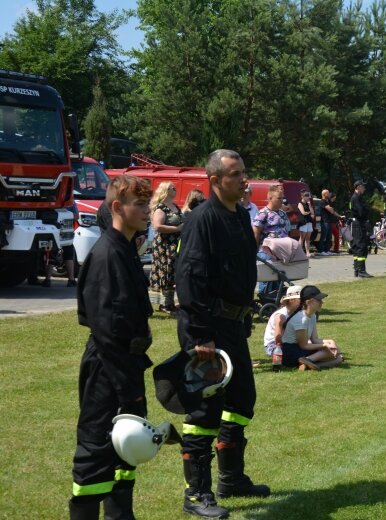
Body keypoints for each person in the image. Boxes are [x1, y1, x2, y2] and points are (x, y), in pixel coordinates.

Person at [176, 149, 270, 519]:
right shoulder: (203, 219)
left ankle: (232, 478)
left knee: (242, 401)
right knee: (204, 410)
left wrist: (243, 317)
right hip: (208, 330)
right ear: (214, 180)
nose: (244, 180)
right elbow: (190, 278)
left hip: (233, 326)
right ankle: (196, 495)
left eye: (244, 172)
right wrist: (201, 335)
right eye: (235, 174)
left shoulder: (240, 214)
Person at [69, 174, 154, 520]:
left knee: (126, 450)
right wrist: (127, 391)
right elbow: (107, 332)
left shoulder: (126, 248)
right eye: (140, 204)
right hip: (108, 371)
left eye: (148, 203)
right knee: (96, 452)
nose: (148, 210)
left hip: (125, 368)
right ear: (118, 207)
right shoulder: (107, 254)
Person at [280, 285, 344, 370]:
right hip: (291, 352)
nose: (321, 303)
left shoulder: (312, 315)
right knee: (331, 353)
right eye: (318, 300)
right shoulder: (302, 319)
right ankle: (307, 360)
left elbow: (315, 339)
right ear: (308, 302)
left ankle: (306, 364)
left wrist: (330, 342)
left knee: (339, 358)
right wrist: (324, 346)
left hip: (299, 349)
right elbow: (304, 346)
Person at [149, 181, 183, 314]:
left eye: (175, 187)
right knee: (166, 271)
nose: (175, 189)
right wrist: (177, 228)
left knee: (173, 272)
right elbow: (157, 226)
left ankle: (170, 304)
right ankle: (164, 304)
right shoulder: (161, 207)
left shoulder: (174, 206)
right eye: (171, 188)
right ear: (165, 190)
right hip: (164, 246)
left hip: (175, 245)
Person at [253, 184, 290, 294]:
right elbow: (256, 234)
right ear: (270, 198)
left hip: (281, 253)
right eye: (279, 198)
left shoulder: (283, 213)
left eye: (282, 198)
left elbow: (287, 232)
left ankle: (276, 303)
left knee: (279, 280)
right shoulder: (262, 213)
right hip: (266, 253)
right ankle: (265, 302)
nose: (281, 201)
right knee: (267, 280)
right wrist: (253, 252)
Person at [262, 285, 301, 360]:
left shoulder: (295, 313)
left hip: (288, 342)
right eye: (300, 299)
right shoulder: (281, 315)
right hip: (274, 346)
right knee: (297, 353)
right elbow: (278, 338)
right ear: (292, 300)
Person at [349, 181, 372, 278]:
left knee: (357, 246)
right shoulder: (356, 198)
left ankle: (357, 270)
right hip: (359, 224)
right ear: (358, 187)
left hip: (357, 223)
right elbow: (361, 212)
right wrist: (367, 209)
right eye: (363, 187)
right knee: (361, 246)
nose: (364, 189)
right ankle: (361, 270)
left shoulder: (357, 197)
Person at [297, 189, 315, 257]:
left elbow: (313, 213)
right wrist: (310, 213)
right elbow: (303, 212)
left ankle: (307, 252)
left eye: (308, 195)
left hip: (309, 222)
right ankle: (299, 253)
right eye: (306, 195)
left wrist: (310, 206)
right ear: (302, 196)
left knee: (308, 238)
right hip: (303, 222)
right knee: (302, 238)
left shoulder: (308, 204)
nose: (308, 197)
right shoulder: (300, 204)